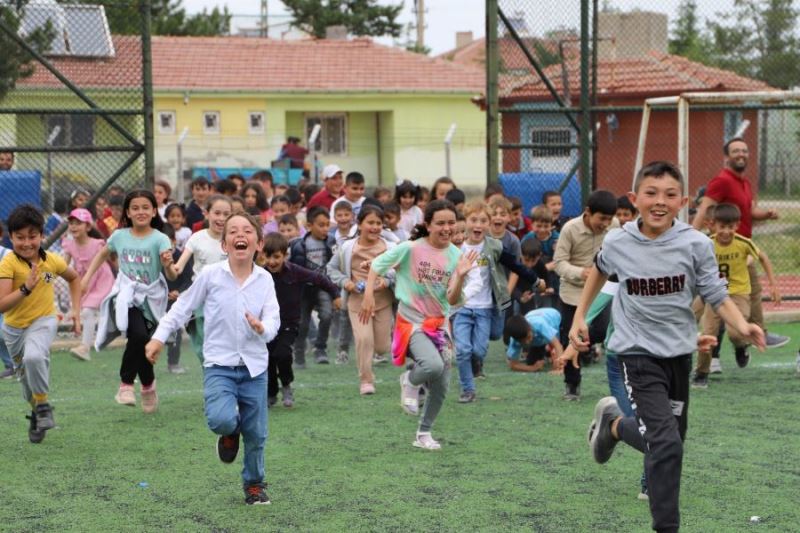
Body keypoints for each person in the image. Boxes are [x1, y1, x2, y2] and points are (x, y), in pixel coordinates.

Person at [569, 160, 765, 533]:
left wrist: (742, 325)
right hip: (636, 355)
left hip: (678, 356)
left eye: (670, 195)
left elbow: (715, 293)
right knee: (665, 444)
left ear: (685, 202)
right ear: (635, 198)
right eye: (651, 193)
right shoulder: (619, 240)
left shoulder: (695, 244)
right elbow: (600, 268)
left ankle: (612, 427)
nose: (660, 202)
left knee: (670, 444)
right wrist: (580, 317)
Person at [145, 213, 280, 505]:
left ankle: (254, 484)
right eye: (233, 231)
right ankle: (229, 433)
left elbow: (273, 319)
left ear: (258, 243)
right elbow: (183, 307)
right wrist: (159, 336)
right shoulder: (211, 275)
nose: (240, 235)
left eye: (247, 231)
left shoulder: (265, 279)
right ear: (224, 243)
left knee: (257, 433)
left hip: (255, 367)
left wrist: (262, 328)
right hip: (219, 364)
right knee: (220, 419)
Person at [360, 200, 478, 450]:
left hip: (439, 325)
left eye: (451, 223)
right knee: (432, 365)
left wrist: (460, 276)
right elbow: (375, 266)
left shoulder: (457, 257)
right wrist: (369, 295)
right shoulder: (410, 248)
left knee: (442, 383)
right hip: (410, 322)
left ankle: (423, 434)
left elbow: (453, 299)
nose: (447, 228)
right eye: (441, 223)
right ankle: (410, 381)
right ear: (428, 225)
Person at [83, 190, 177, 413]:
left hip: (152, 298)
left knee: (144, 345)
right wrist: (87, 277)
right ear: (127, 212)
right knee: (139, 336)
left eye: (146, 207)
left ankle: (147, 385)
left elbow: (172, 275)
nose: (141, 212)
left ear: (154, 211)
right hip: (127, 296)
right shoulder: (119, 236)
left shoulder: (161, 239)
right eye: (135, 208)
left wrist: (167, 265)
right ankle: (126, 385)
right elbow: (103, 254)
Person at [692, 137, 788, 349]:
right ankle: (717, 348)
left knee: (750, 293)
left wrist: (767, 214)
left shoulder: (744, 182)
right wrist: (690, 238)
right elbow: (704, 208)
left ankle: (752, 336)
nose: (741, 154)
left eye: (744, 150)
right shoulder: (722, 181)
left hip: (742, 248)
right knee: (711, 300)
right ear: (727, 157)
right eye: (735, 151)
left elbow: (750, 212)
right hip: (722, 249)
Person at [0, 204, 82, 443]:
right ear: (11, 237)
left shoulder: (52, 261)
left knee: (34, 357)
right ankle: (37, 411)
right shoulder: (8, 264)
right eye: (20, 238)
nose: (27, 243)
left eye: (32, 237)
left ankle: (44, 407)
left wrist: (75, 312)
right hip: (14, 329)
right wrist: (26, 288)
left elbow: (74, 278)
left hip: (44, 321)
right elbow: (2, 304)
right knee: (26, 385)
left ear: (42, 236)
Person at [453, 200, 543, 402]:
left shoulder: (494, 246)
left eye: (483, 220)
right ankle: (468, 389)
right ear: (465, 222)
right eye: (473, 220)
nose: (478, 224)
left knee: (480, 348)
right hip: (462, 307)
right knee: (463, 350)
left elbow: (516, 266)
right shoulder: (456, 248)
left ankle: (476, 361)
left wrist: (536, 280)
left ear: (489, 224)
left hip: (487, 307)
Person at [692, 203, 779, 389]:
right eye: (722, 227)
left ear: (737, 226)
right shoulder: (707, 243)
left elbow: (763, 258)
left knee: (736, 332)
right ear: (713, 225)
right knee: (708, 334)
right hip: (715, 294)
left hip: (739, 294)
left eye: (730, 227)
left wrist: (773, 284)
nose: (726, 232)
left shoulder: (743, 243)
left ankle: (741, 347)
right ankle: (701, 373)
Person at [554, 189, 618, 400]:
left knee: (598, 331)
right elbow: (559, 263)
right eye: (602, 218)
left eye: (609, 219)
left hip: (601, 293)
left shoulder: (615, 228)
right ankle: (572, 385)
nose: (605, 224)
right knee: (570, 337)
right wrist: (581, 273)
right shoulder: (570, 229)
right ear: (588, 212)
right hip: (572, 292)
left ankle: (589, 348)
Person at [263, 232, 340, 406]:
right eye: (268, 257)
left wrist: (335, 294)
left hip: (289, 324)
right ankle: (271, 393)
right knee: (267, 358)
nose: (272, 261)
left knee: (282, 354)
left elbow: (319, 278)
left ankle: (287, 384)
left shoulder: (295, 272)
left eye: (277, 257)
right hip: (266, 325)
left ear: (285, 255)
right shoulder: (259, 274)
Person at [327, 206, 394, 395]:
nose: (374, 227)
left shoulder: (390, 248)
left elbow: (399, 271)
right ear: (360, 224)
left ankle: (376, 355)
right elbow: (331, 269)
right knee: (364, 340)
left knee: (382, 347)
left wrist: (386, 281)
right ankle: (366, 380)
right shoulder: (347, 247)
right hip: (358, 302)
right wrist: (347, 283)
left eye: (378, 223)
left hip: (382, 302)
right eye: (370, 223)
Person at [171, 195, 233, 362]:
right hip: (201, 297)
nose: (221, 218)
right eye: (217, 213)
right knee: (202, 344)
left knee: (221, 343)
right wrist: (173, 267)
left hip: (227, 298)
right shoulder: (197, 238)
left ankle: (221, 372)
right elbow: (181, 264)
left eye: (226, 214)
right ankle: (211, 371)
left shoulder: (234, 239)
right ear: (207, 213)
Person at [61, 208, 114, 361]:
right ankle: (86, 347)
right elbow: (62, 266)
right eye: (71, 223)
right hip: (84, 284)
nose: (73, 226)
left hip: (102, 282)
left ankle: (85, 347)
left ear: (88, 227)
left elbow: (109, 262)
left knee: (88, 311)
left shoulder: (97, 244)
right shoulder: (69, 245)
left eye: (78, 223)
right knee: (88, 312)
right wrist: (48, 277)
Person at [290, 206, 335, 366]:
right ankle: (299, 353)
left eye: (327, 224)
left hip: (323, 286)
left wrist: (334, 289)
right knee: (302, 324)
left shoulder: (331, 242)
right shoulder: (299, 245)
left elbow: (335, 265)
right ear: (309, 226)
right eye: (320, 225)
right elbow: (293, 269)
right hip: (304, 289)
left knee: (327, 315)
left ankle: (320, 348)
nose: (325, 229)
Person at [161, 224, 192, 375]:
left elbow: (189, 279)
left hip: (176, 301)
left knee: (176, 331)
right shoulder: (154, 258)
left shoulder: (182, 256)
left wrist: (178, 292)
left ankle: (173, 363)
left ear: (174, 240)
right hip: (157, 300)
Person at [522, 205, 560, 309]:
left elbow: (561, 259)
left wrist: (557, 250)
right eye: (538, 226)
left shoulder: (556, 239)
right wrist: (546, 267)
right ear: (532, 224)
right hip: (535, 275)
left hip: (553, 278)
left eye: (546, 226)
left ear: (551, 225)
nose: (542, 230)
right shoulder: (528, 239)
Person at [0, 224, 14, 379]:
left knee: (5, 331)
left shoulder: (8, 255)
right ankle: (11, 366)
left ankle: (19, 364)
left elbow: (47, 274)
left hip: (12, 301)